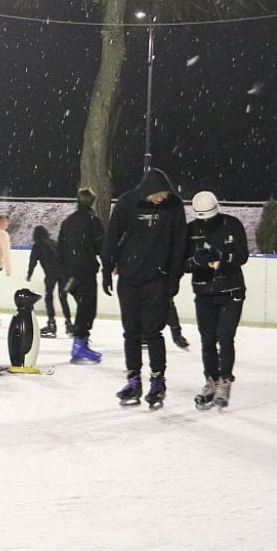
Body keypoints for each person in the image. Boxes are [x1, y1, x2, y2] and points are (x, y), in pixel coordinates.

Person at [103, 167, 187, 408]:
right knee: (130, 332)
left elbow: (179, 244)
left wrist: (173, 279)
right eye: (158, 194)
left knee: (153, 332)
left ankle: (158, 381)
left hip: (156, 280)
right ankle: (133, 380)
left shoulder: (173, 207)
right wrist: (106, 270)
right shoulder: (128, 202)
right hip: (128, 278)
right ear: (147, 191)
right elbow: (112, 236)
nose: (161, 198)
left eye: (164, 194)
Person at [184, 191, 248, 409]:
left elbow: (242, 256)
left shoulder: (232, 225)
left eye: (209, 218)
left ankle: (225, 381)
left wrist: (223, 257)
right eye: (202, 219)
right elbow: (182, 263)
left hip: (231, 291)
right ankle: (211, 380)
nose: (206, 223)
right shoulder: (190, 230)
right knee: (208, 340)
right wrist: (194, 261)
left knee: (225, 337)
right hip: (204, 293)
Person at [56, 188, 105, 363]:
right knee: (87, 307)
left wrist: (63, 271)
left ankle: (81, 342)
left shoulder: (68, 222)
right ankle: (79, 345)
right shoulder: (93, 221)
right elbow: (102, 246)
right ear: (92, 202)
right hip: (84, 272)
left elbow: (59, 248)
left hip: (69, 274)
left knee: (83, 307)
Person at [27, 224, 71, 338]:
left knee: (49, 298)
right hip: (63, 273)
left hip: (51, 273)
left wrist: (29, 274)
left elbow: (33, 261)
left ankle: (52, 324)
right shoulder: (53, 242)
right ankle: (69, 324)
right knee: (63, 297)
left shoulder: (37, 246)